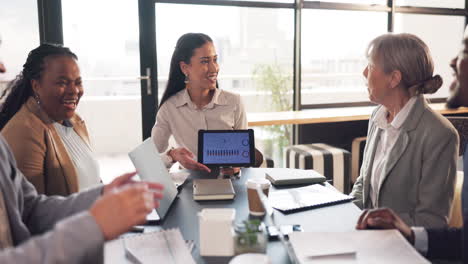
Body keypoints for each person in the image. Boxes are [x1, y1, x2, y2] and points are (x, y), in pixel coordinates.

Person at [356, 29, 468, 262]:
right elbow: (362, 186)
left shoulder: (440, 134)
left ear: (394, 78)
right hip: (367, 245)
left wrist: (379, 227)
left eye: (371, 66)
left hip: (404, 254)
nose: (364, 72)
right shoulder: (378, 116)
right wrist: (342, 216)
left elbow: (433, 222)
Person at [0, 43, 100, 196]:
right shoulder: (24, 132)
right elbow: (31, 213)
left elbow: (91, 180)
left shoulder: (74, 120)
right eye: (62, 83)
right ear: (36, 85)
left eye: (78, 82)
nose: (74, 91)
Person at [151, 33, 250, 172]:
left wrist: (236, 166)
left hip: (228, 182)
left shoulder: (234, 102)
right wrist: (172, 155)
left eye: (215, 60)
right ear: (185, 68)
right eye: (205, 61)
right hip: (189, 184)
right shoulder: (169, 108)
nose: (214, 68)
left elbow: (244, 155)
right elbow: (150, 159)